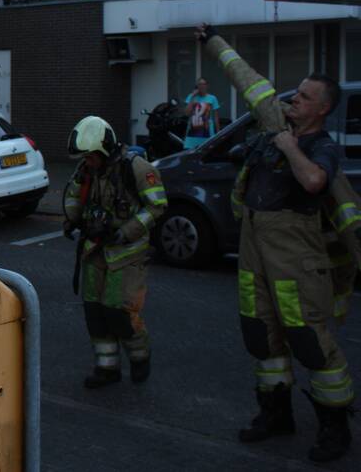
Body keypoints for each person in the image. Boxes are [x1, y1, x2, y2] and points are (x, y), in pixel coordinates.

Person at [197, 24, 355, 462]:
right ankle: (275, 413)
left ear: (320, 111)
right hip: (254, 253)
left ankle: (334, 427)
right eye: (296, 93)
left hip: (296, 260)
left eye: (303, 97)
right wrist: (212, 40)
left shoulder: (321, 146)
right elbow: (248, 80)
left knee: (310, 341)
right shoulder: (276, 120)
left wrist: (288, 147)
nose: (293, 100)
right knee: (260, 337)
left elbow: (314, 180)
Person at [62, 116, 168, 389]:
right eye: (85, 157)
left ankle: (139, 355)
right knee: (95, 312)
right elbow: (73, 198)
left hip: (127, 254)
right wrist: (73, 219)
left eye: (91, 157)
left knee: (119, 311)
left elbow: (157, 206)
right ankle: (106, 368)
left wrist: (126, 231)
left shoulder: (136, 168)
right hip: (94, 250)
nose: (88, 162)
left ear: (105, 149)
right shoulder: (86, 170)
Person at [182, 77, 221, 149]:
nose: (202, 86)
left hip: (207, 132)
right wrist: (193, 96)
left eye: (204, 84)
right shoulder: (191, 96)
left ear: (207, 86)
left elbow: (216, 117)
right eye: (200, 84)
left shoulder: (212, 98)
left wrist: (218, 133)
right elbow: (187, 113)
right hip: (192, 133)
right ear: (197, 86)